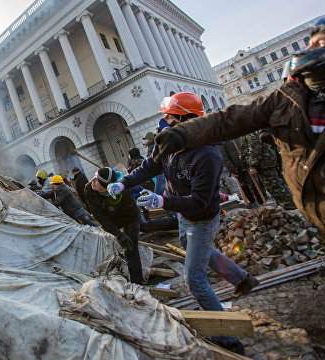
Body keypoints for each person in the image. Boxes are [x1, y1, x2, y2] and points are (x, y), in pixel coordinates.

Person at [151, 4, 325, 350]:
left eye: (322, 44)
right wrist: (185, 134)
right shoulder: (289, 98)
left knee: (195, 272)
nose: (310, 52)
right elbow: (229, 119)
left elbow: (202, 196)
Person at [108, 92, 259, 354]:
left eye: (168, 117)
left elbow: (200, 202)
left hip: (202, 218)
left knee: (195, 279)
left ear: (186, 120)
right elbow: (149, 167)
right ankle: (242, 279)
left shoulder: (208, 155)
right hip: (183, 215)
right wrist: (123, 182)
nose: (163, 123)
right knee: (196, 250)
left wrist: (163, 203)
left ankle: (227, 338)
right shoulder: (168, 143)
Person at [84, 167, 143, 284]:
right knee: (116, 245)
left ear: (107, 187)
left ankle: (138, 283)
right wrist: (118, 234)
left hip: (129, 217)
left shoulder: (123, 193)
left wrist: (125, 234)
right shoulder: (89, 189)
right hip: (110, 217)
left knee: (131, 250)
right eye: (94, 176)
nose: (93, 181)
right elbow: (100, 217)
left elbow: (131, 216)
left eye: (97, 180)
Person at [241, 131, 296, 210]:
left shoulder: (250, 133)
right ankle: (286, 203)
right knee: (273, 185)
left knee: (275, 186)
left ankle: (290, 205)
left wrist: (253, 165)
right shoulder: (247, 133)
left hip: (264, 163)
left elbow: (255, 149)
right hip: (263, 163)